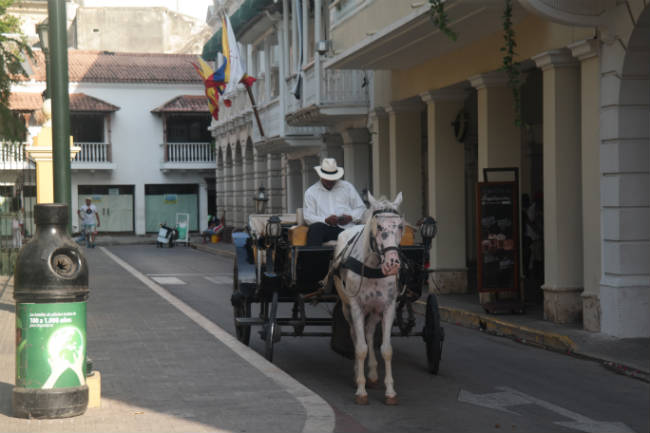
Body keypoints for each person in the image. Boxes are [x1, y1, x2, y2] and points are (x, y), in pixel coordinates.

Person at [303, 158, 366, 246]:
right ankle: (314, 258)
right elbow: (308, 217)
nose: (330, 181)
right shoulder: (311, 192)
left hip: (347, 229)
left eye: (332, 179)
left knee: (364, 231)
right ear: (321, 176)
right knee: (315, 229)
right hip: (325, 229)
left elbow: (361, 208)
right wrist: (325, 220)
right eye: (327, 179)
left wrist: (351, 217)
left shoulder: (347, 187)